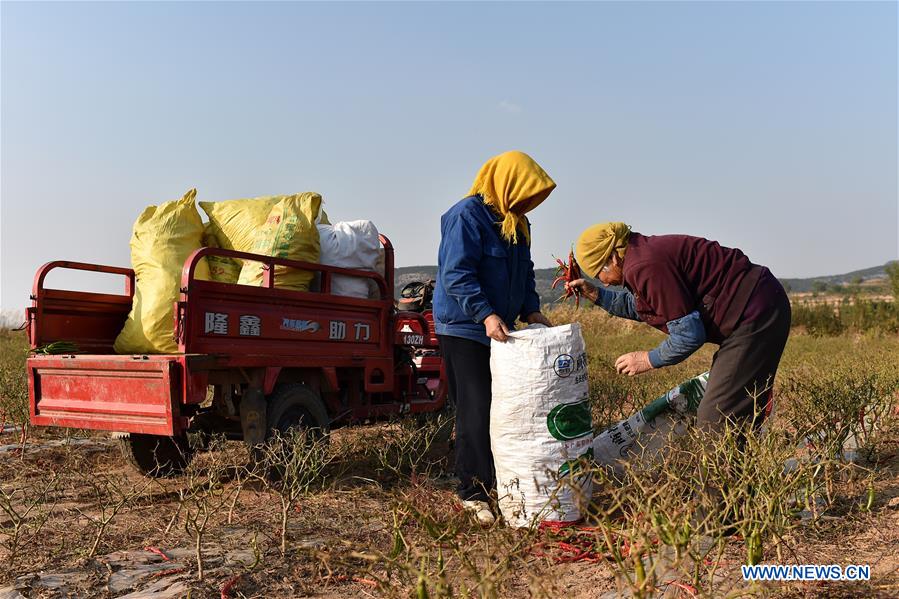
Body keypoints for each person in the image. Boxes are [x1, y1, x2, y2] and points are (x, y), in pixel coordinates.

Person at [569, 222, 790, 430]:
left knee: (716, 416)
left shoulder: (644, 265)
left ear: (614, 258)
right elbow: (644, 305)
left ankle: (724, 470)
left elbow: (689, 335)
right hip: (760, 305)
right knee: (734, 408)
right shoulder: (642, 254)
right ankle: (745, 466)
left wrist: (647, 359)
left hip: (755, 314)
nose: (605, 281)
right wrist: (596, 294)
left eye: (600, 273)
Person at [433, 151, 555, 525]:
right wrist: (485, 314)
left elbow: (525, 272)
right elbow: (456, 274)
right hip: (465, 328)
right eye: (525, 193)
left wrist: (530, 309)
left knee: (505, 408)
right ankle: (472, 492)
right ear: (507, 183)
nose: (527, 202)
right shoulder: (466, 216)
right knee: (476, 407)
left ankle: (501, 482)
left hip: (500, 330)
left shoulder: (518, 222)